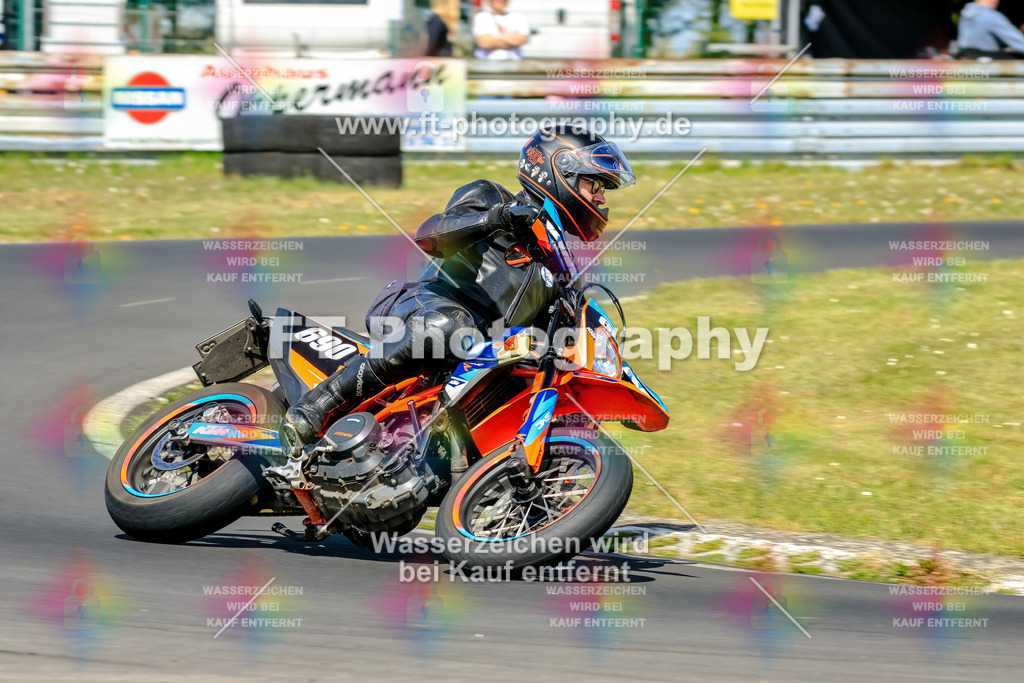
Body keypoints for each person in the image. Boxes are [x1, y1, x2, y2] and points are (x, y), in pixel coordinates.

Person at [279, 125, 636, 449]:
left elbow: (563, 345)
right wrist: (495, 219)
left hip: (478, 358)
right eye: (595, 185)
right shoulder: (491, 196)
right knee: (450, 325)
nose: (601, 199)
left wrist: (617, 390)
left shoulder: (562, 273)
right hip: (423, 305)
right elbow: (431, 235)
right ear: (562, 172)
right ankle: (317, 406)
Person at [957, 0, 1024, 59]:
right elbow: (1018, 42)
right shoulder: (990, 15)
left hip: (967, 56)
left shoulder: (965, 14)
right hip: (986, 57)